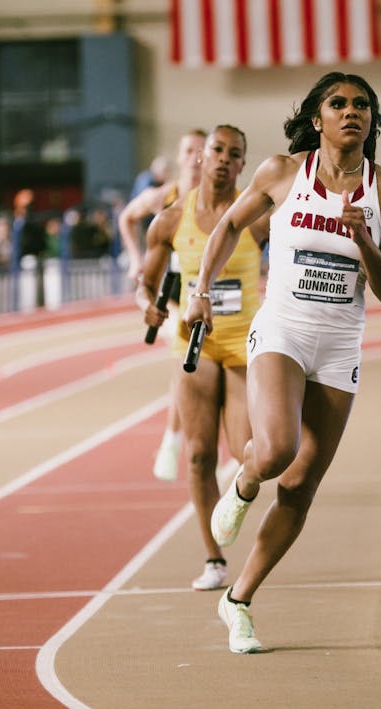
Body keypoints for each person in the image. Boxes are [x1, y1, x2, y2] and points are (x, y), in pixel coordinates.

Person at [183, 72, 381, 653]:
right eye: (338, 103)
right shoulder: (283, 174)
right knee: (278, 448)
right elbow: (230, 224)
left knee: (302, 486)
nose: (351, 112)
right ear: (318, 118)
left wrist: (363, 242)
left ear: (371, 120)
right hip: (283, 328)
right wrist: (200, 289)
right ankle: (244, 480)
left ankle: (237, 602)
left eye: (362, 104)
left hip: (340, 346)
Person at [138, 124, 269, 591]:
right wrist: (147, 305)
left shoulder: (258, 217)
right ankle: (214, 560)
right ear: (201, 157)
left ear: (242, 166)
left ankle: (232, 504)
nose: (223, 159)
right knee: (197, 455)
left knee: (245, 452)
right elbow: (146, 283)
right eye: (217, 149)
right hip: (193, 342)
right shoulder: (172, 219)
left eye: (235, 154)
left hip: (242, 344)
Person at [119, 128, 207, 483]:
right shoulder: (163, 196)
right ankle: (172, 440)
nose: (196, 157)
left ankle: (183, 439)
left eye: (203, 151)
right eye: (189, 150)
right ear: (179, 155)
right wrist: (135, 257)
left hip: (203, 292)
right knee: (184, 360)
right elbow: (127, 216)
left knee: (195, 367)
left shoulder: (218, 196)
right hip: (169, 294)